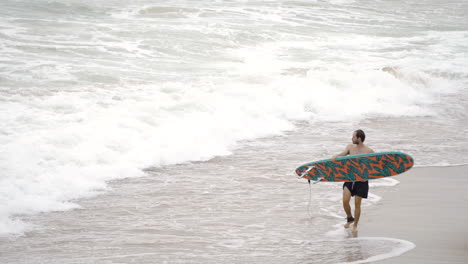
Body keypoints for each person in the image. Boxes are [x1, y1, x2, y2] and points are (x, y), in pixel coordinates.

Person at [332, 129, 374, 235]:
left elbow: (374, 167)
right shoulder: (350, 147)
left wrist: (367, 176)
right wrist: (335, 157)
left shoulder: (369, 151)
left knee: (357, 204)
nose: (352, 138)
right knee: (345, 201)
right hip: (350, 178)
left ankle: (355, 225)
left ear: (359, 138)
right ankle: (350, 218)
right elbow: (343, 154)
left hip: (361, 180)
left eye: (353, 136)